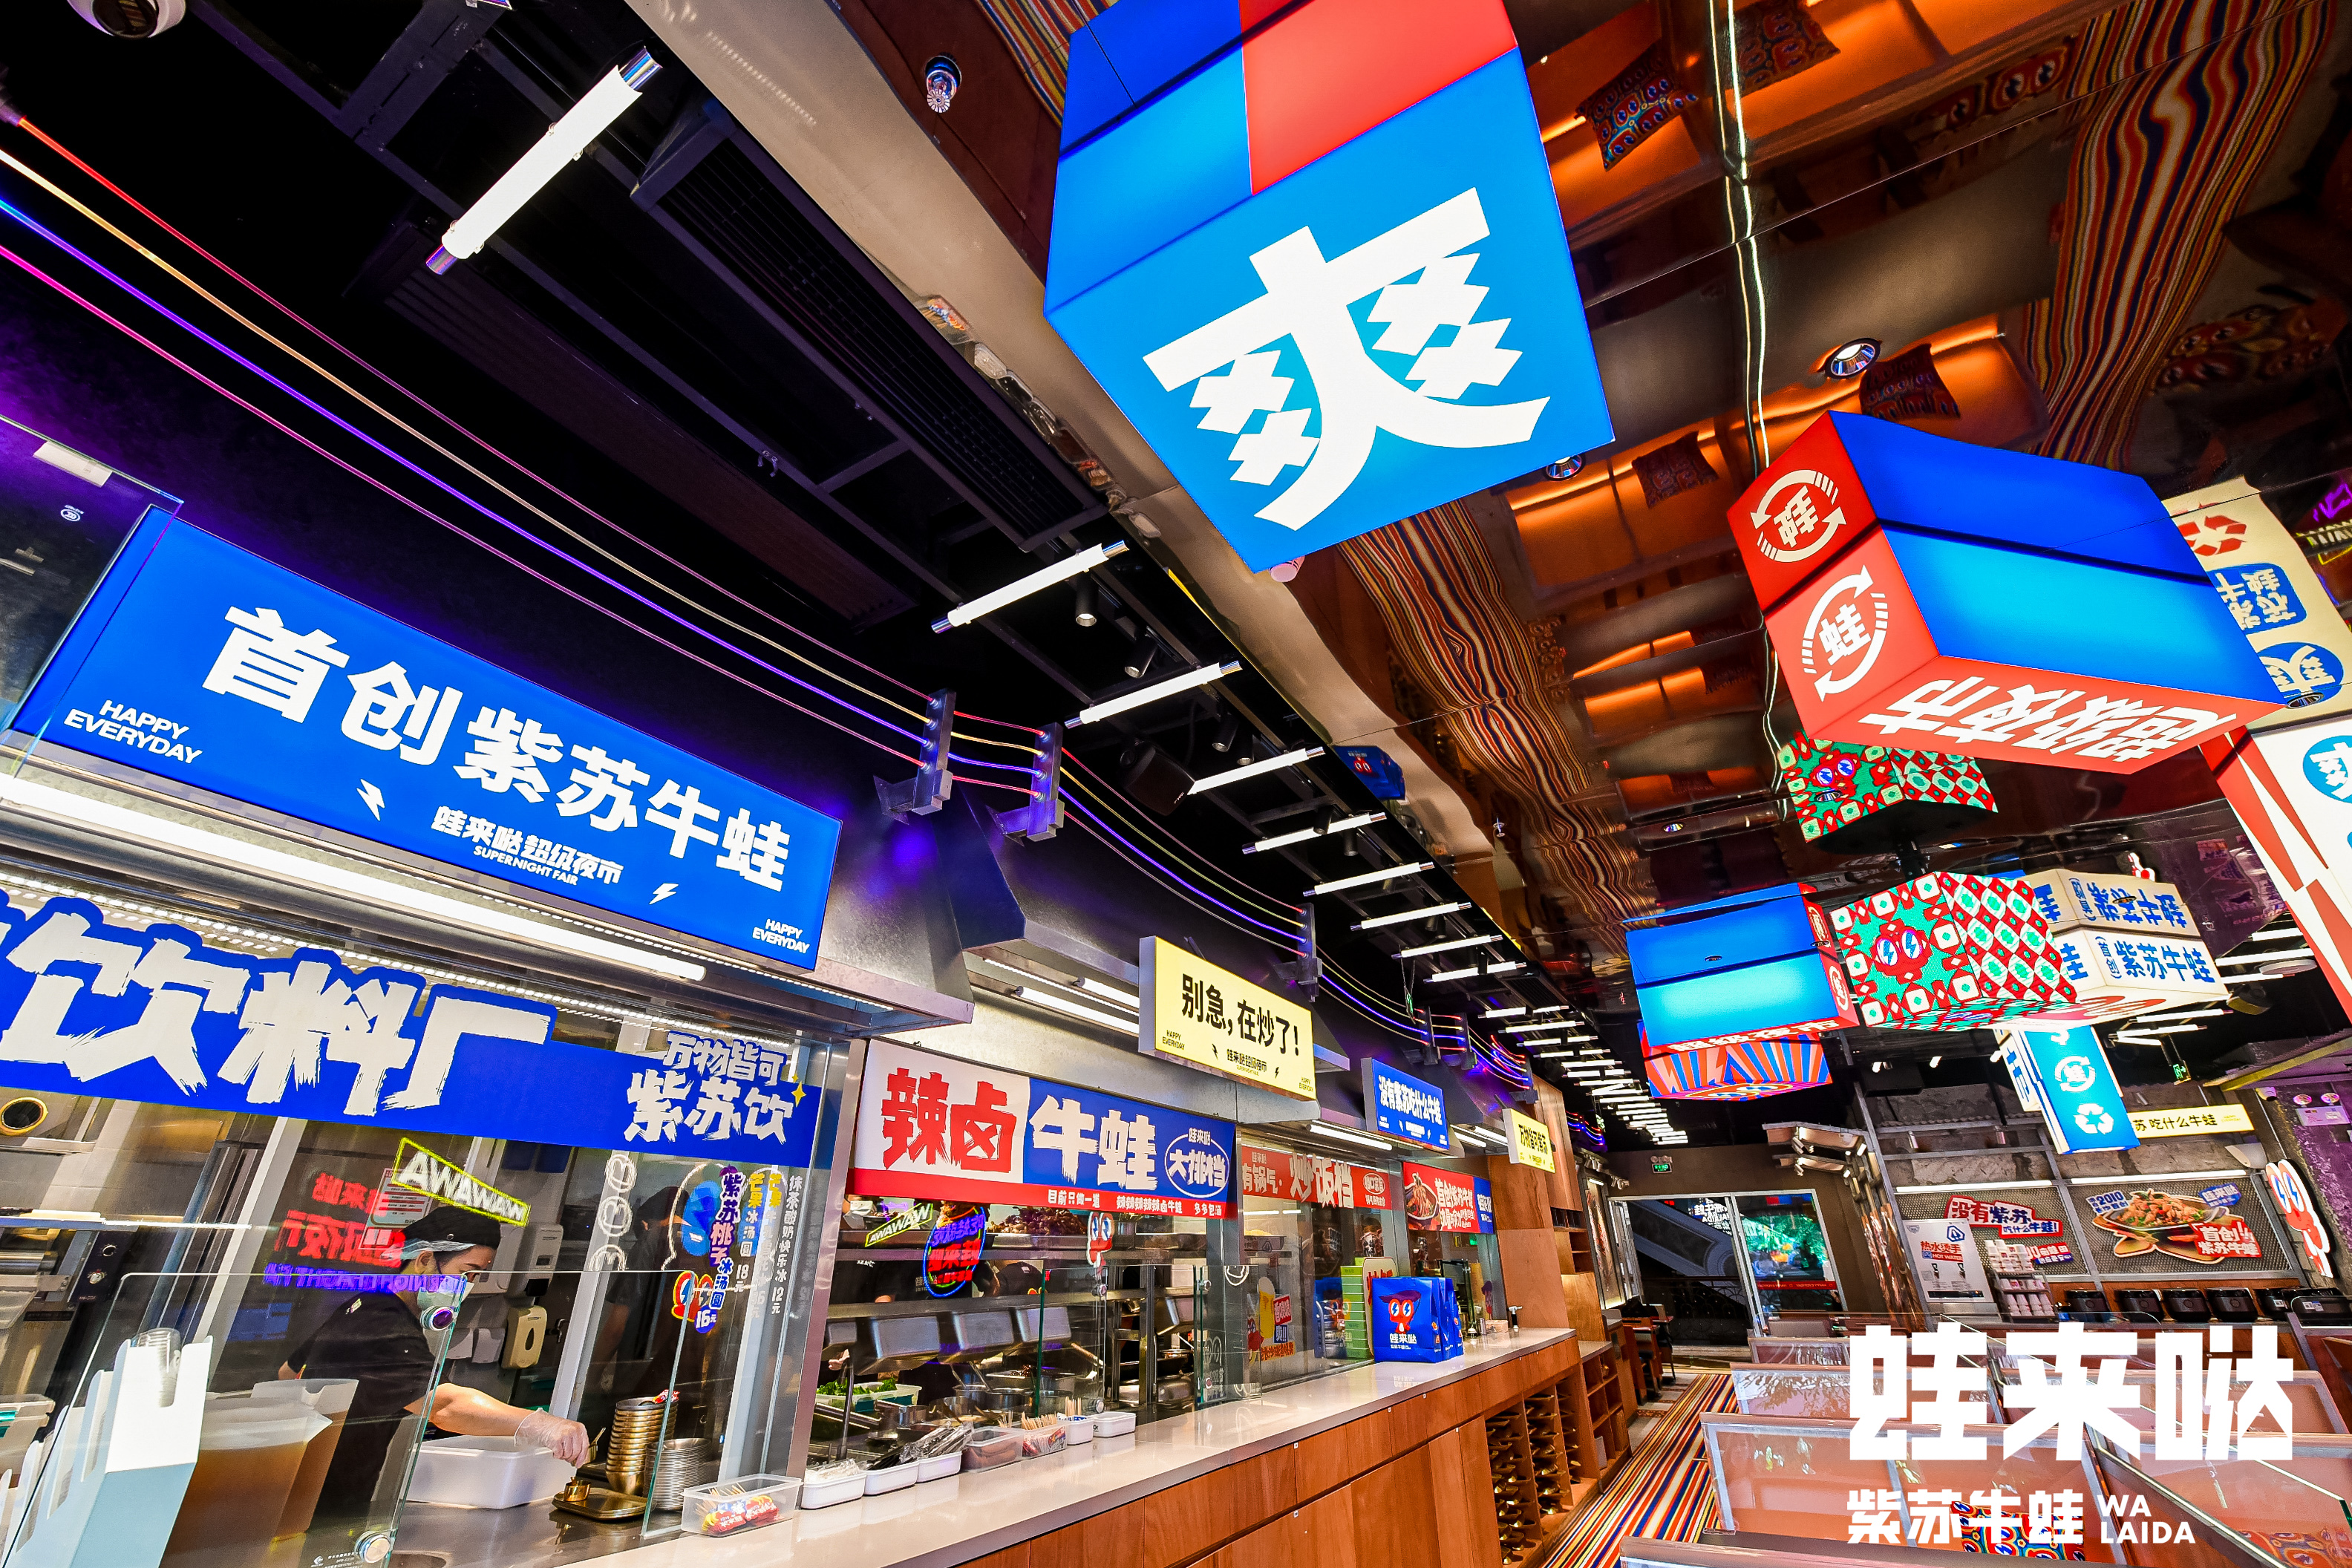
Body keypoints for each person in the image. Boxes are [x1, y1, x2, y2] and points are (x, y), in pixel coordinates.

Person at [281, 1206, 590, 1519]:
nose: (467, 1286)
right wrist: (541, 1425)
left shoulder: (364, 1304)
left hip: (306, 1490)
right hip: (327, 1505)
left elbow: (288, 1372)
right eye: (466, 1272)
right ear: (425, 1260)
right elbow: (444, 1406)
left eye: (475, 1277)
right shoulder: (387, 1325)